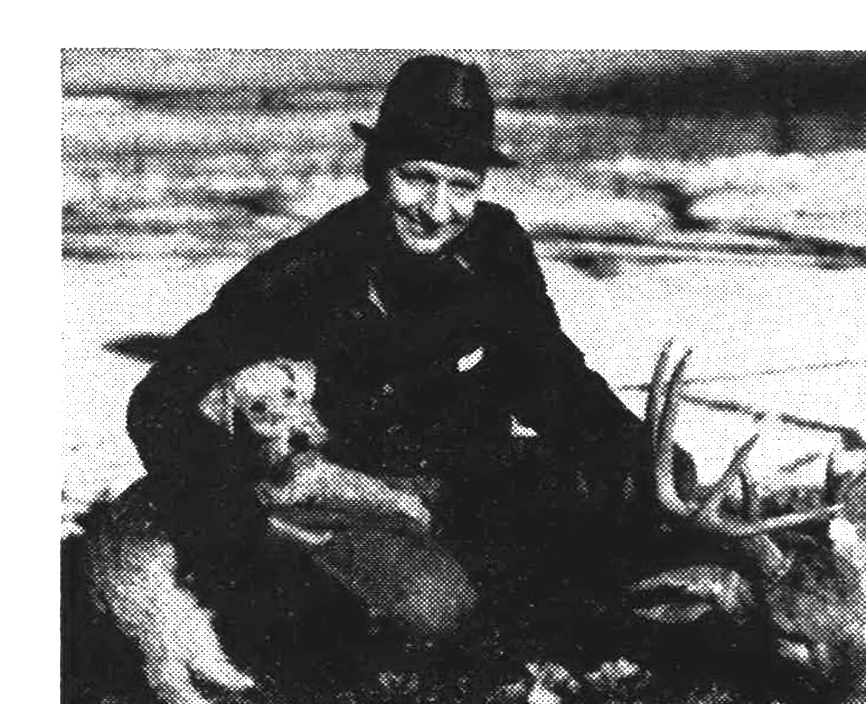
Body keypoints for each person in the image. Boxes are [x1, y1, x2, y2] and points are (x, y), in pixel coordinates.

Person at [127, 55, 696, 646]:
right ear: (377, 169)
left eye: (463, 186)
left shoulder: (495, 249)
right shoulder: (300, 276)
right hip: (345, 502)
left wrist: (632, 451)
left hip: (466, 482)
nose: (437, 208)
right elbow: (160, 402)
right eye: (419, 177)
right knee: (437, 612)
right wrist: (231, 521)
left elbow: (547, 373)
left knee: (651, 482)